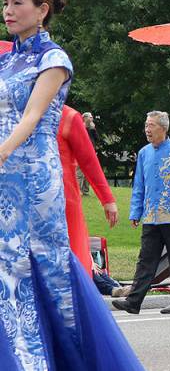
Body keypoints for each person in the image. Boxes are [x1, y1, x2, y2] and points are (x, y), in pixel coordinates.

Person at [0, 0, 152, 371]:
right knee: (6, 270)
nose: (8, 10)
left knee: (42, 266)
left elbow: (32, 117)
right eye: (5, 3)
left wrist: (4, 151)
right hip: (5, 177)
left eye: (17, 3)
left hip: (33, 176)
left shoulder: (54, 58)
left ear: (41, 8)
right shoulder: (6, 61)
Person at [112, 111, 170, 315]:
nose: (147, 129)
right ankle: (133, 301)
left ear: (163, 128)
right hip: (151, 215)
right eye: (146, 125)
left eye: (152, 125)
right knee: (145, 259)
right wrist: (135, 211)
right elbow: (139, 184)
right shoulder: (143, 153)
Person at [58, 105, 119, 270]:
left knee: (70, 262)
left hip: (62, 201)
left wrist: (107, 199)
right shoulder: (15, 112)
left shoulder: (68, 116)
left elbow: (88, 159)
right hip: (22, 203)